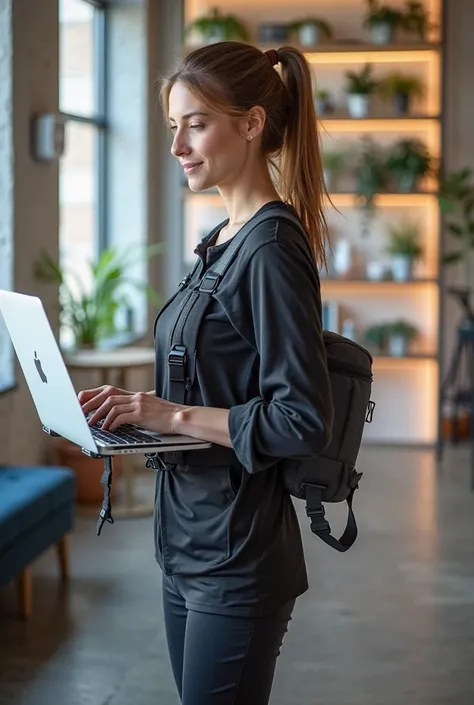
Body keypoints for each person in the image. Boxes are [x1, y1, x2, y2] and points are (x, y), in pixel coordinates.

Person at [79, 41, 333, 705]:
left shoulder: (273, 247)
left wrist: (165, 415)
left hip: (237, 554)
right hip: (185, 538)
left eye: (196, 124)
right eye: (173, 127)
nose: (178, 147)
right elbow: (218, 380)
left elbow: (300, 416)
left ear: (251, 123)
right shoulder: (221, 239)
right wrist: (138, 406)